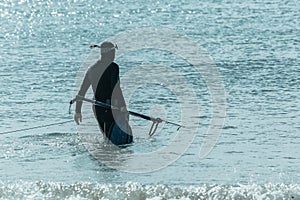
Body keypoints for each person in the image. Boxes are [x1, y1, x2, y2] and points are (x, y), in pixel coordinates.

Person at [74, 41, 132, 145]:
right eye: (114, 52)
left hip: (97, 108)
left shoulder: (91, 69)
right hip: (112, 107)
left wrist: (77, 111)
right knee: (115, 139)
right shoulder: (113, 67)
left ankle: (105, 154)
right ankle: (111, 156)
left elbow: (81, 93)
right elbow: (116, 89)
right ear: (111, 53)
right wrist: (123, 106)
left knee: (106, 137)